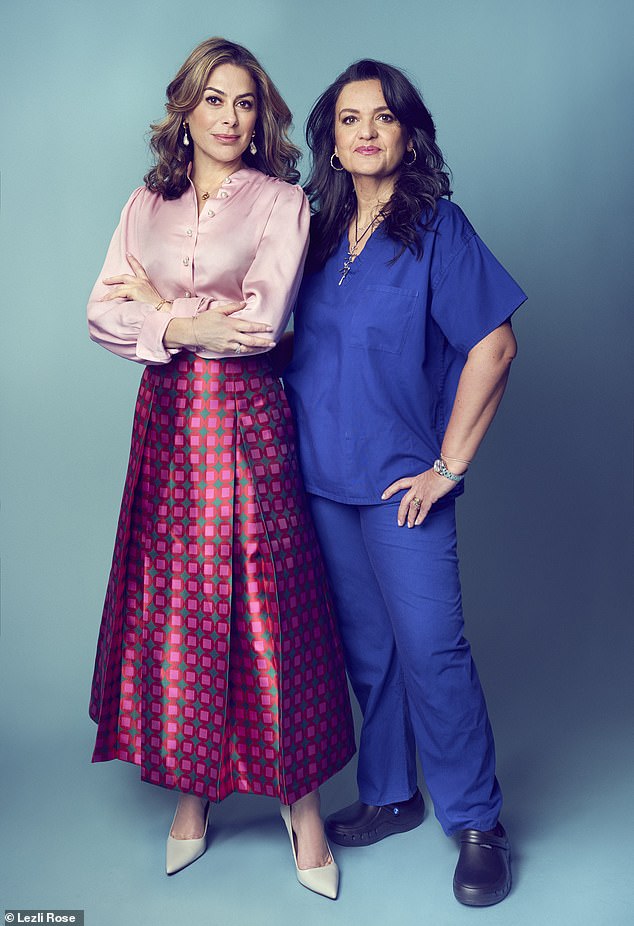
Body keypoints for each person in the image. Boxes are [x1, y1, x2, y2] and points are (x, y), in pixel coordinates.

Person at [86, 37, 354, 899]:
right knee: (180, 604)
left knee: (268, 599)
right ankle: (193, 794)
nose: (232, 118)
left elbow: (263, 321)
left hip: (245, 420)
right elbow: (98, 312)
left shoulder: (282, 202)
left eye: (246, 103)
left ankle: (301, 805)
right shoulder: (146, 203)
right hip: (168, 427)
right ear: (187, 112)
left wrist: (162, 314)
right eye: (215, 102)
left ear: (260, 115)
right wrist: (187, 324)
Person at [282, 59, 526, 907]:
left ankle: (476, 822)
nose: (366, 132)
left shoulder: (438, 230)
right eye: (349, 120)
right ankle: (390, 794)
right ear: (333, 140)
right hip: (319, 483)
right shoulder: (311, 233)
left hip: (400, 489)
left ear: (407, 132)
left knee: (431, 652)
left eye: (382, 117)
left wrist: (449, 467)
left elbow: (493, 348)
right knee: (370, 653)